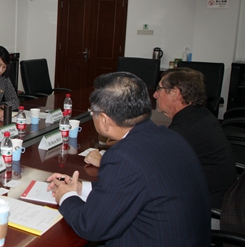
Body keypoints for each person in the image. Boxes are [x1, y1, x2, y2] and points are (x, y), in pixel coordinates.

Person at [35, 72, 213, 247]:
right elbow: (137, 190)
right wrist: (81, 189)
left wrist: (66, 197)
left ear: (105, 120)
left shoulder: (124, 155)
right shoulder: (167, 136)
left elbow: (91, 226)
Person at [85, 67, 235, 209]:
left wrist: (103, 161)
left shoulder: (184, 130)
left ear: (175, 93)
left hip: (202, 205)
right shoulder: (198, 117)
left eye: (159, 89)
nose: (155, 95)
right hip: (206, 195)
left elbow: (144, 168)